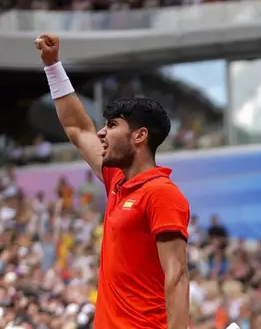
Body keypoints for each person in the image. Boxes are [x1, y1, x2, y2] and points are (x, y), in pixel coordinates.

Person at [35, 33, 190, 329]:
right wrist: (53, 66)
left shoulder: (161, 194)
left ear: (139, 136)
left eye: (112, 125)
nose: (102, 133)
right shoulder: (116, 180)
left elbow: (178, 275)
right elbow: (78, 128)